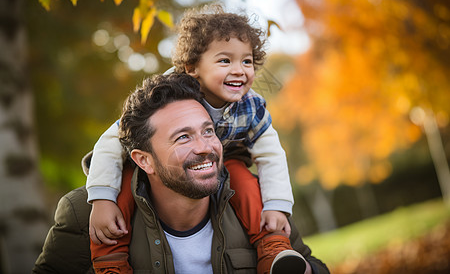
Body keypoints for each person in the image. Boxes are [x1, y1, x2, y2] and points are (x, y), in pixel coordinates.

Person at [33, 74, 329, 274]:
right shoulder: (83, 215)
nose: (205, 148)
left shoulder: (259, 198)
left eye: (208, 131)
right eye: (183, 138)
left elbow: (313, 264)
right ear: (143, 160)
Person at [88, 4, 301, 274]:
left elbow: (271, 154)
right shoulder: (165, 94)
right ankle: (111, 262)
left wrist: (277, 206)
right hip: (150, 164)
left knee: (245, 181)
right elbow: (110, 143)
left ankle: (273, 248)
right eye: (225, 61)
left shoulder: (251, 106)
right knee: (128, 185)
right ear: (192, 66)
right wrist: (101, 198)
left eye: (246, 61)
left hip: (223, 161)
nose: (240, 70)